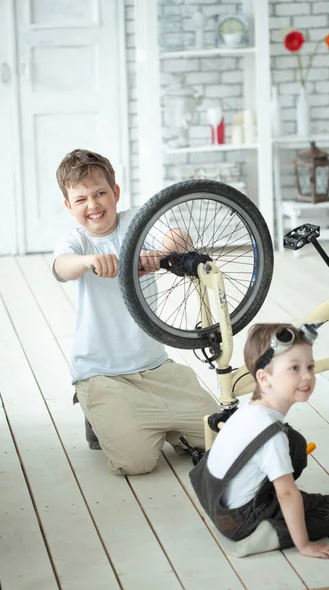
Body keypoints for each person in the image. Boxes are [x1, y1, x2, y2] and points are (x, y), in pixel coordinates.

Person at [52, 148, 218, 476]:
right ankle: (97, 414)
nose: (93, 205)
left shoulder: (136, 222)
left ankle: (164, 424)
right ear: (69, 206)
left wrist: (164, 252)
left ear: (115, 193)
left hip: (154, 367)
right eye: (81, 199)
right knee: (136, 462)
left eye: (100, 193)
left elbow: (177, 236)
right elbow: (62, 266)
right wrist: (90, 262)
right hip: (101, 373)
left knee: (219, 435)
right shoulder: (77, 242)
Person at [190, 323, 329, 559]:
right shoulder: (271, 434)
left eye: (310, 367)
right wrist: (304, 545)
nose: (307, 376)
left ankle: (265, 508)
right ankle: (270, 534)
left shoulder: (248, 411)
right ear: (264, 378)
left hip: (214, 502)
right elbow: (287, 494)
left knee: (294, 442)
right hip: (240, 522)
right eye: (294, 368)